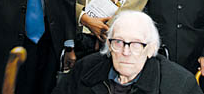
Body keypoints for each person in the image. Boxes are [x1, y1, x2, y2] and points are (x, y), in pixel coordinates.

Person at [53, 10, 203, 94]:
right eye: (118, 42)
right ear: (109, 46)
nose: (126, 51)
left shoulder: (180, 86)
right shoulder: (85, 69)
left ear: (150, 49)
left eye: (136, 44)